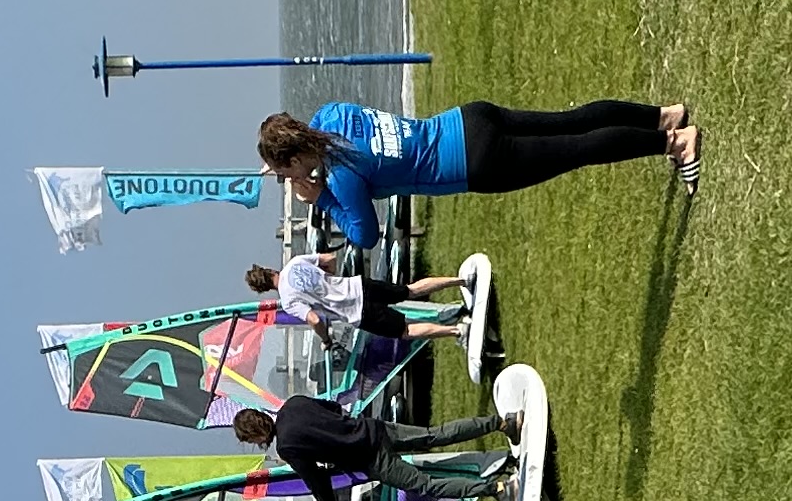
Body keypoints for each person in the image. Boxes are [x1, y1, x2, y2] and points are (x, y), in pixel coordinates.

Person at [258, 97, 697, 247]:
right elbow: (326, 144)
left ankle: (676, 142)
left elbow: (365, 235)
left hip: (476, 162)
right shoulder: (332, 113)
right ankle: (664, 116)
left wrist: (322, 198)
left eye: (283, 171)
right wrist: (292, 158)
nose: (284, 177)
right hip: (468, 119)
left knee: (575, 150)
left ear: (293, 161)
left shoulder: (342, 177)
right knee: (571, 122)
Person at [230, 388, 514, 501]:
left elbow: (317, 481)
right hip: (374, 429)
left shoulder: (286, 447)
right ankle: (501, 423)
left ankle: (496, 488)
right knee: (434, 435)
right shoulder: (294, 403)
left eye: (251, 441)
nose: (256, 444)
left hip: (371, 459)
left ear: (255, 434)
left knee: (427, 485)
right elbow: (333, 407)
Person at [249, 252, 466, 346]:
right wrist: (331, 278)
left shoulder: (288, 300)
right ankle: (461, 280)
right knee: (410, 290)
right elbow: (330, 258)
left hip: (356, 311)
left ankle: (457, 331)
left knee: (405, 330)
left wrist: (326, 340)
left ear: (265, 289)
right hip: (359, 285)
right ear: (269, 270)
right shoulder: (295, 262)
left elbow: (314, 319)